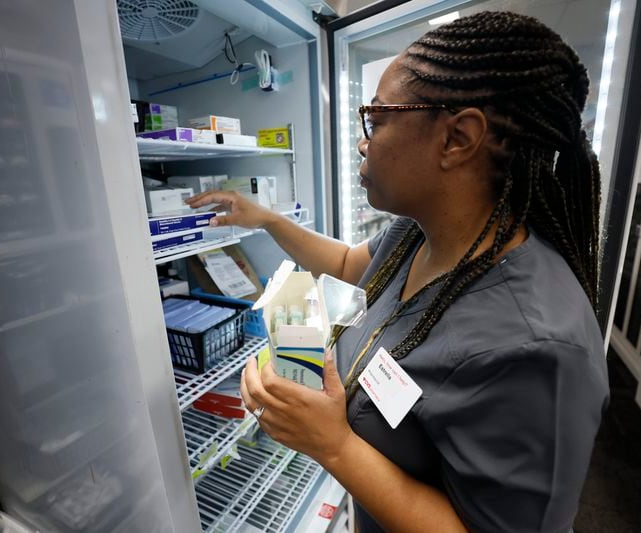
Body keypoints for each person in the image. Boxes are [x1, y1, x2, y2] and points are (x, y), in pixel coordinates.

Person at [186, 10, 608, 532]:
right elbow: (345, 264)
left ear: (458, 138)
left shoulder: (539, 346)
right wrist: (267, 219)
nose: (364, 141)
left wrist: (333, 443)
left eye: (378, 120)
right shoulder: (420, 236)